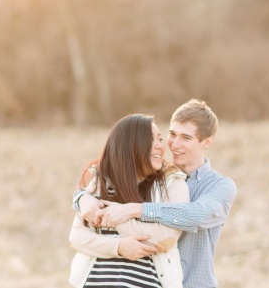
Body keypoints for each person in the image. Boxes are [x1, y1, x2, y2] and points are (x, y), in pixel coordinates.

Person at [75, 99, 237, 288]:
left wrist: (136, 210)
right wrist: (81, 198)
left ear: (206, 142)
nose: (174, 144)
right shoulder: (156, 178)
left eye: (186, 138)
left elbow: (194, 215)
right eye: (172, 134)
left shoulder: (220, 186)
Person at [69, 114, 190, 288]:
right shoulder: (102, 182)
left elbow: (166, 237)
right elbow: (77, 237)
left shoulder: (172, 183)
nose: (160, 147)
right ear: (130, 145)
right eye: (150, 140)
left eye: (160, 139)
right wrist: (118, 247)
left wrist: (116, 218)